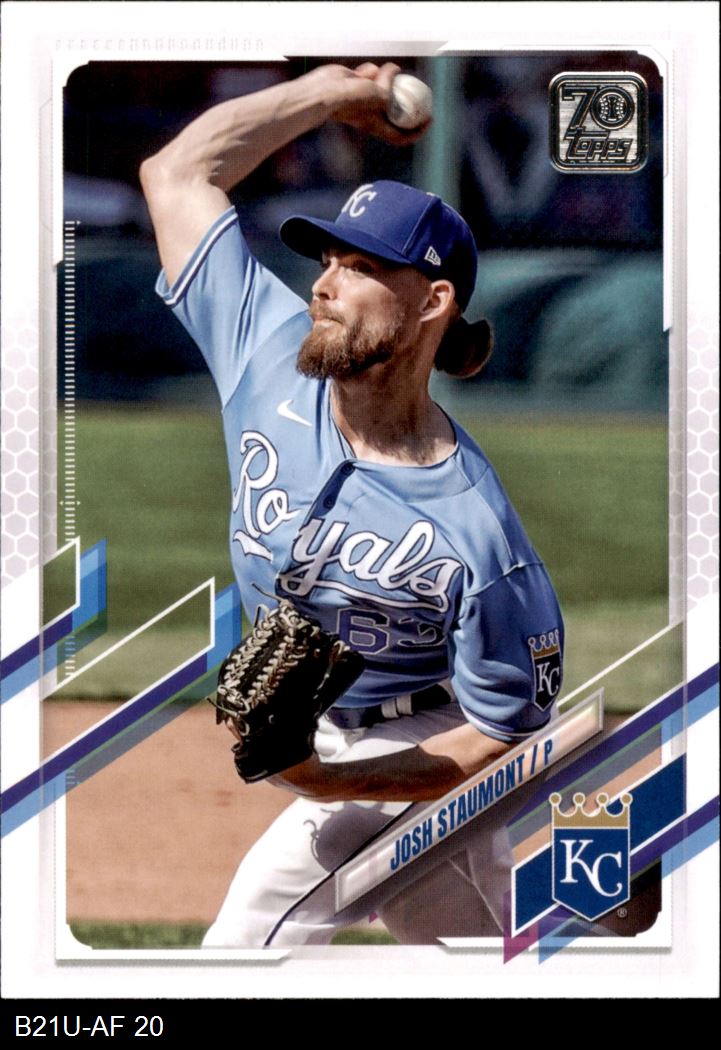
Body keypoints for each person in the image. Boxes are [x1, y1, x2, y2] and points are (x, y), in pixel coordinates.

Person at [140, 61, 564, 947]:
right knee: (472, 951)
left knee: (251, 938)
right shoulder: (262, 346)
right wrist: (332, 93)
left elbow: (503, 735)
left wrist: (331, 783)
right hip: (333, 734)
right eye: (326, 260)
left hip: (423, 745)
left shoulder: (476, 533)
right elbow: (177, 172)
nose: (324, 284)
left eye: (362, 266)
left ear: (431, 303)